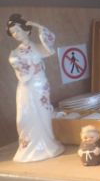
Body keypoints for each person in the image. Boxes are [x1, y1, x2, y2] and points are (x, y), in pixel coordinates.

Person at [6, 13, 64, 162]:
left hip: (40, 85)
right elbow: (21, 71)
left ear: (26, 30)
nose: (16, 34)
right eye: (13, 33)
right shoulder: (15, 54)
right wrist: (33, 67)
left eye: (18, 30)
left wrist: (39, 27)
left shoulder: (36, 47)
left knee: (43, 113)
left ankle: (46, 143)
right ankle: (29, 145)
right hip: (26, 86)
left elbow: (48, 47)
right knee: (24, 116)